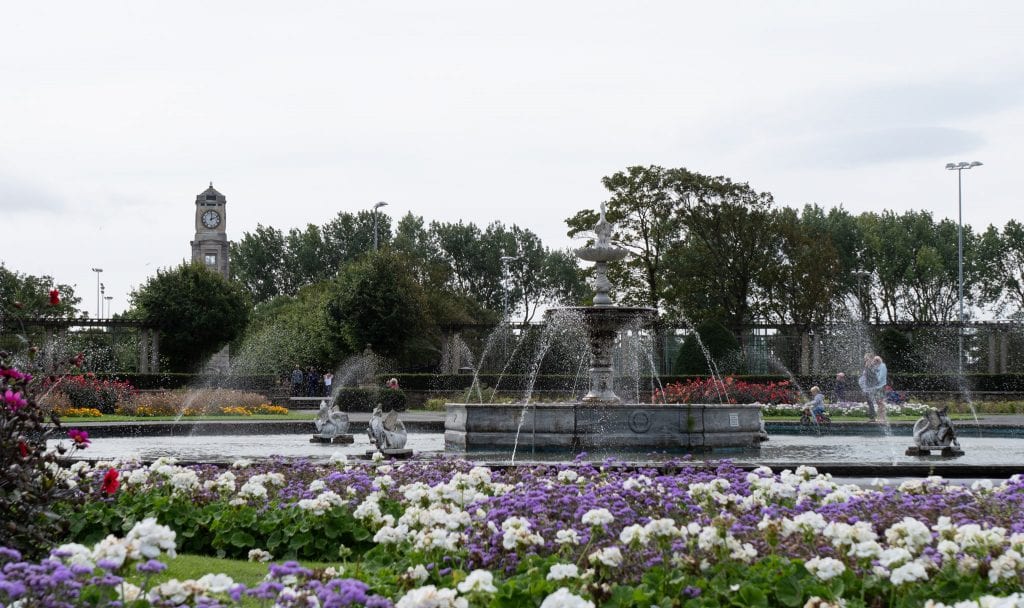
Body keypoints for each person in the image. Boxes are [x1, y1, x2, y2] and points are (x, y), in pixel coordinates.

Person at [858, 353, 878, 421]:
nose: (864, 359)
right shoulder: (870, 365)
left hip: (869, 388)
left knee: (870, 402)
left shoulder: (870, 365)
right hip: (867, 387)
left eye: (865, 358)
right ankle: (872, 416)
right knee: (870, 402)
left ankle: (872, 417)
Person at [872, 356, 888, 422]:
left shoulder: (883, 366)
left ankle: (882, 418)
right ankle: (879, 417)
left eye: (876, 360)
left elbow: (881, 376)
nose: (875, 361)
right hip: (876, 387)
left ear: (879, 360)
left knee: (881, 402)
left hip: (881, 386)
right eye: (874, 360)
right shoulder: (876, 367)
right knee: (878, 402)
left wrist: (875, 381)